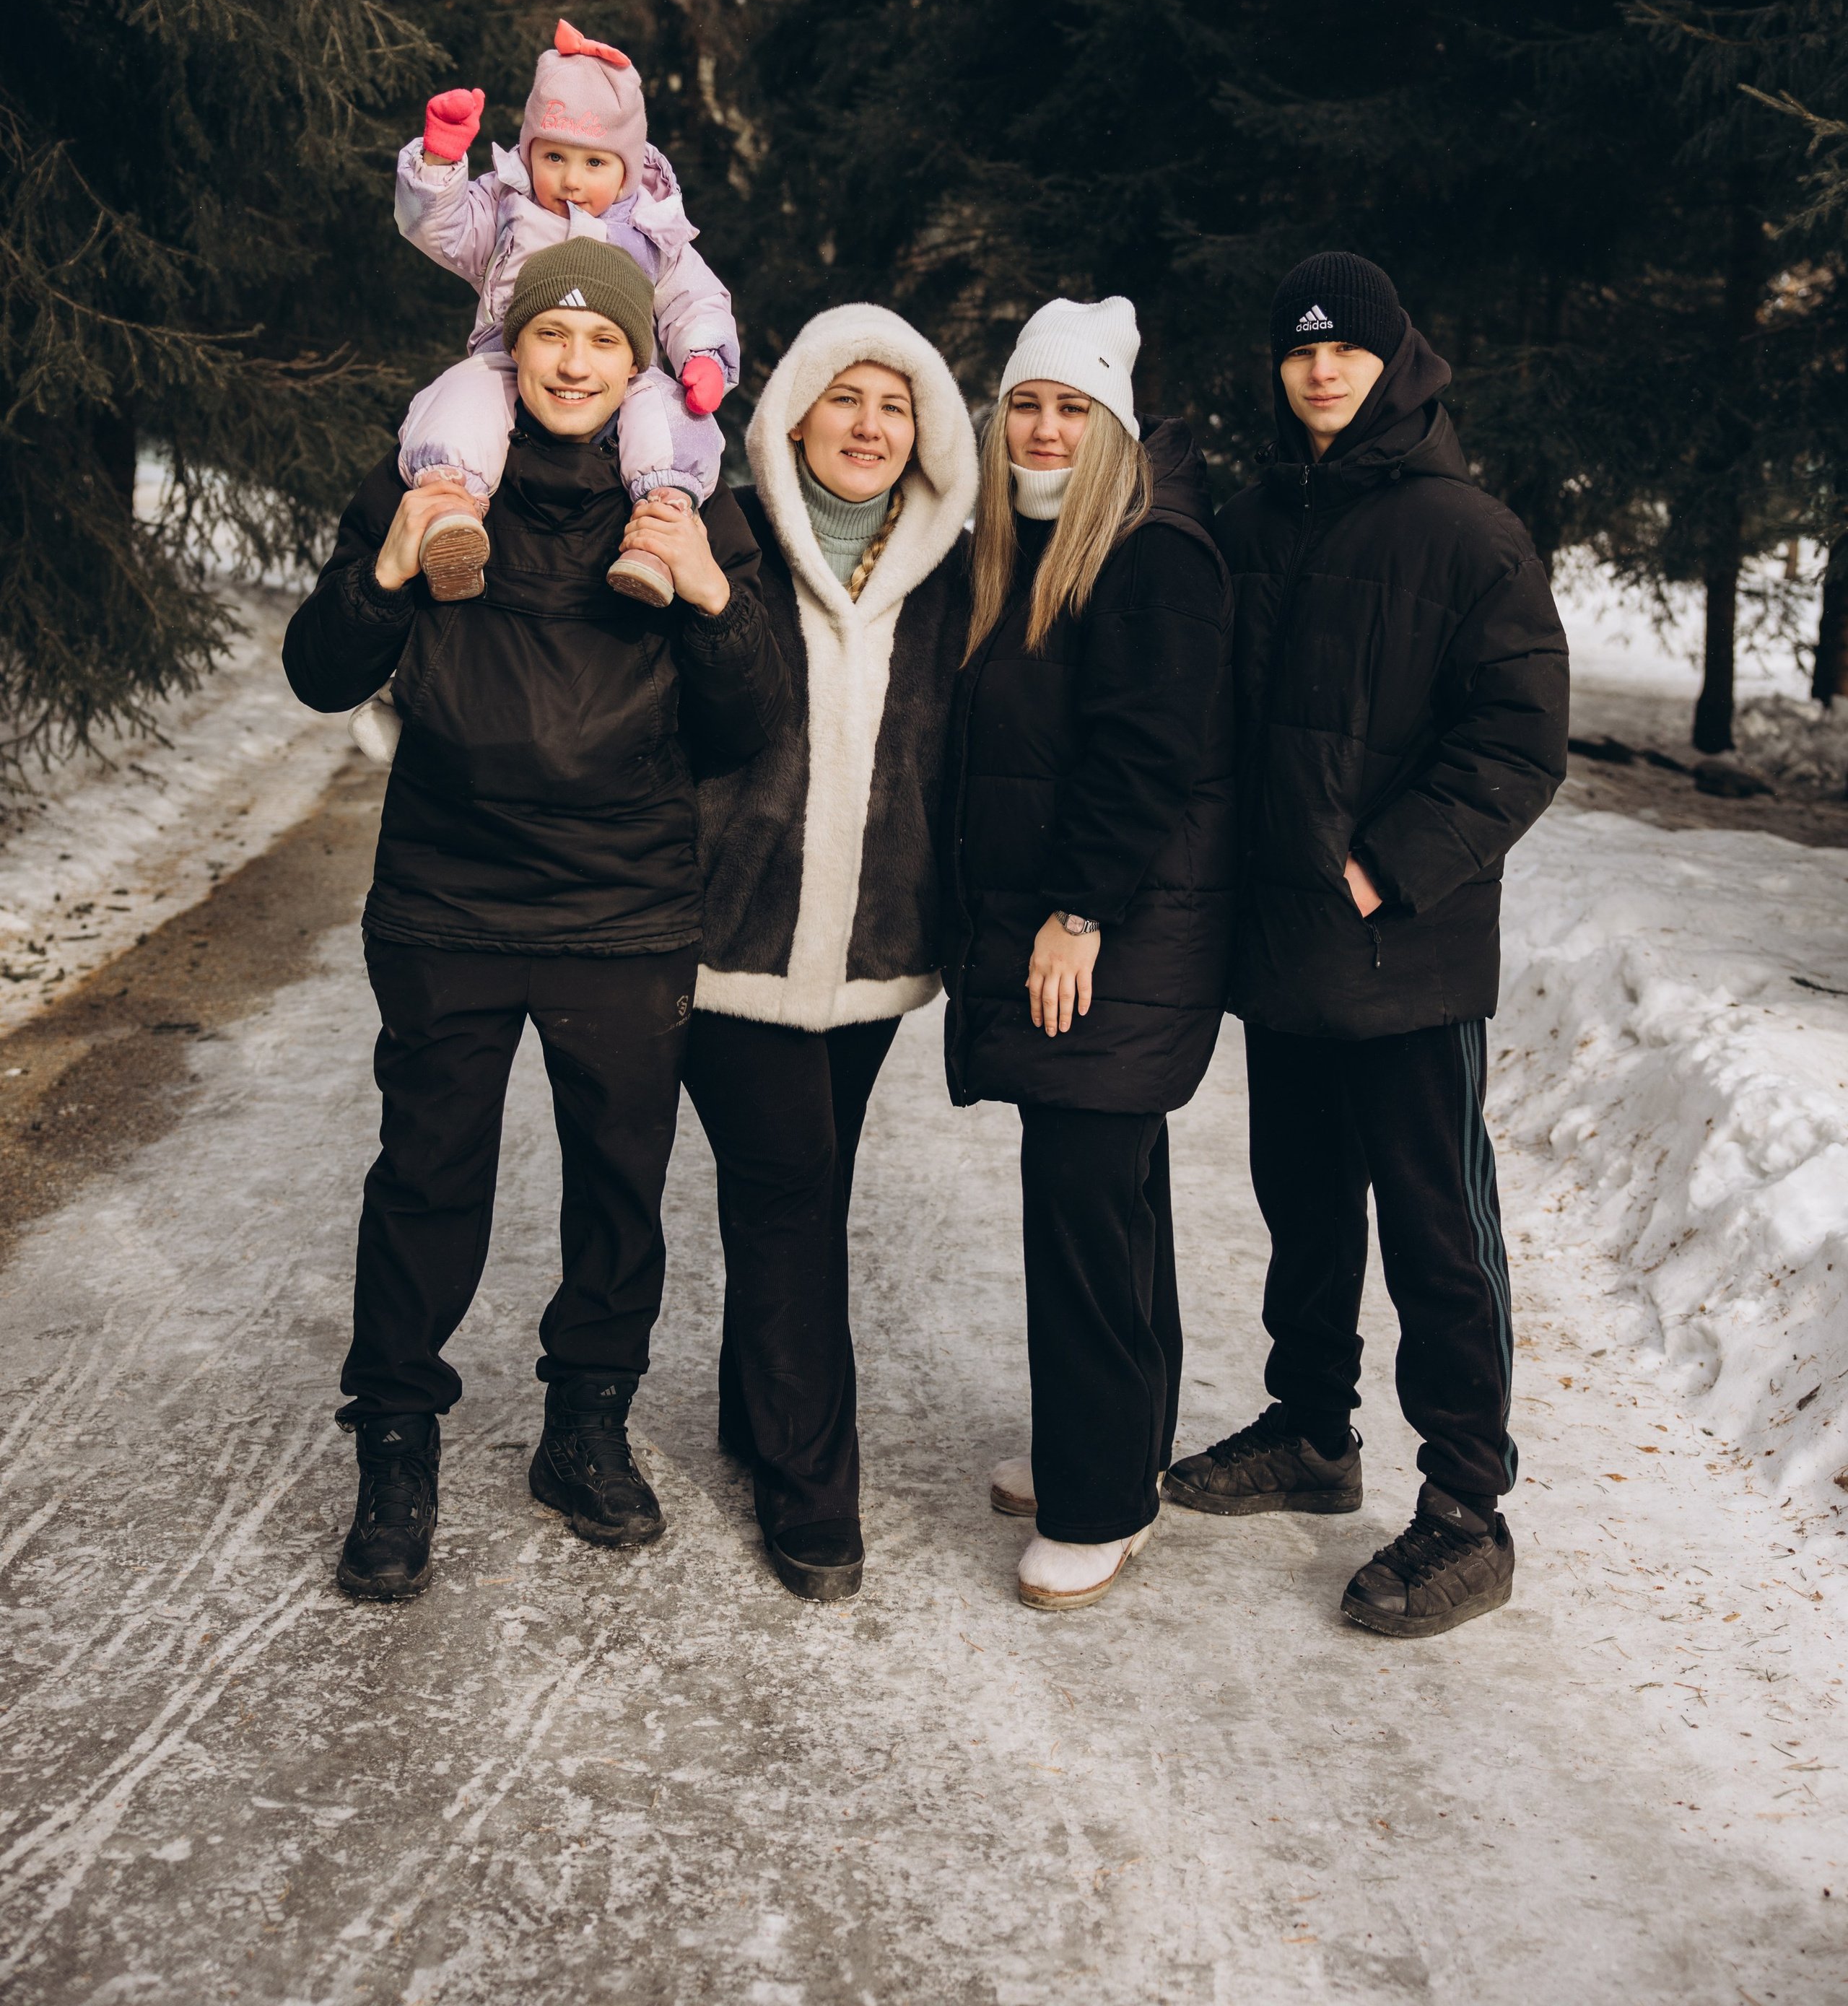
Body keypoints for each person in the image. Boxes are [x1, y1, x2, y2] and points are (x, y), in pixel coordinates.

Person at [282, 236, 787, 1605]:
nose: (575, 363)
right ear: (514, 348)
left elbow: (751, 723)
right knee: (427, 1180)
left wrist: (710, 594)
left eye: (604, 343)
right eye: (551, 338)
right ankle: (396, 1448)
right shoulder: (433, 479)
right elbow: (321, 675)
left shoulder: (692, 498)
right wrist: (383, 570)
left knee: (617, 1186)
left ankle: (587, 1429)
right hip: (448, 894)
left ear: (635, 360)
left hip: (624, 909)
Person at [1164, 250, 1568, 1641]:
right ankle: (1311, 1431)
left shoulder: (1470, 534)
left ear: (1397, 362)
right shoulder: (1262, 515)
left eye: (1345, 351)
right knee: (1304, 1201)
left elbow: (1518, 742)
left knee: (1439, 1230)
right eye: (1298, 352)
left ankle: (1468, 1505)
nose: (1321, 372)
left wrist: (1388, 865)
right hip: (1284, 947)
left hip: (1407, 953)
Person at [940, 297, 1234, 1613]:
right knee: (1113, 1202)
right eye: (1027, 404)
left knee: (1081, 1207)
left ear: (1115, 425)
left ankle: (1100, 1501)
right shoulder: (1032, 545)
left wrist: (1078, 915)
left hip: (1114, 932)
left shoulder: (1150, 552)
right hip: (1086, 925)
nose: (1046, 427)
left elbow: (1145, 751)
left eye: (1072, 408)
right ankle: (1115, 1449)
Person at [686, 305, 977, 1600]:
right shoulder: (726, 540)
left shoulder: (955, 573)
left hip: (875, 948)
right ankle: (814, 1494)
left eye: (894, 405)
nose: (869, 426)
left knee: (812, 1182)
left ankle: (756, 1409)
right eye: (844, 398)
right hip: (725, 944)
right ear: (793, 411)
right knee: (791, 1189)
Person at [393, 18, 739, 606]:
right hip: (512, 362)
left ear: (627, 168)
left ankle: (658, 530)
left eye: (595, 164)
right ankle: (450, 514)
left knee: (672, 416)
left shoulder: (652, 230)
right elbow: (438, 229)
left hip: (619, 376)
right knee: (460, 396)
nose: (572, 182)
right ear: (531, 153)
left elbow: (694, 297)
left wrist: (704, 355)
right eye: (554, 157)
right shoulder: (509, 208)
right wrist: (439, 161)